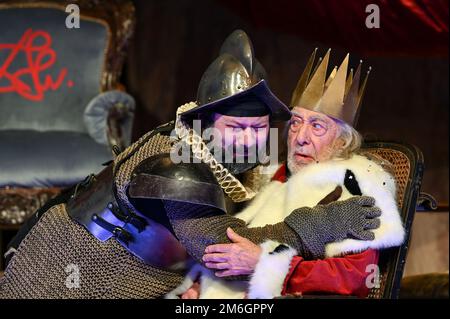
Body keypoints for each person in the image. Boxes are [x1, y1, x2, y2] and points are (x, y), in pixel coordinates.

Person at [0, 31, 380, 299]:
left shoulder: (246, 168)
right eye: (236, 128)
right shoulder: (178, 168)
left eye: (258, 128)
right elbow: (225, 250)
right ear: (206, 124)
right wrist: (325, 223)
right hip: (69, 283)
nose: (250, 140)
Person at [173, 49, 404, 299]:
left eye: (317, 126)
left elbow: (352, 278)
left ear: (342, 140)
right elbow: (232, 245)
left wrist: (266, 265)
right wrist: (201, 283)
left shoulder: (357, 184)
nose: (300, 138)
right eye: (295, 122)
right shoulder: (276, 177)